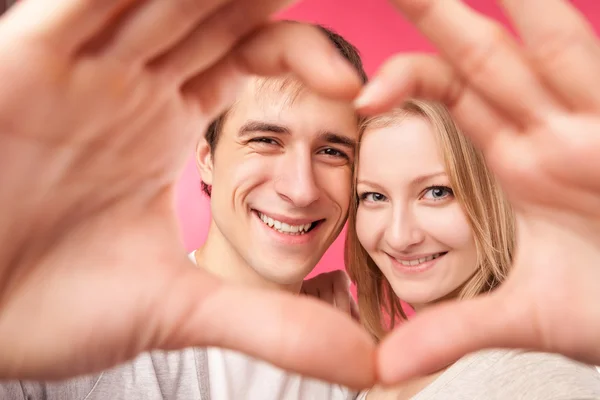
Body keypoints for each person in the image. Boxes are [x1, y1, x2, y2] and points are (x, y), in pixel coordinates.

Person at [0, 0, 375, 388]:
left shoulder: (366, 367)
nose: (301, 190)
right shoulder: (89, 329)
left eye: (332, 152)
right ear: (206, 159)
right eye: (265, 140)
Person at [351, 0, 600, 385]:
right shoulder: (378, 366)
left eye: (436, 192)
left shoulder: (537, 375)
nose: (400, 236)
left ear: (496, 194)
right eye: (374, 197)